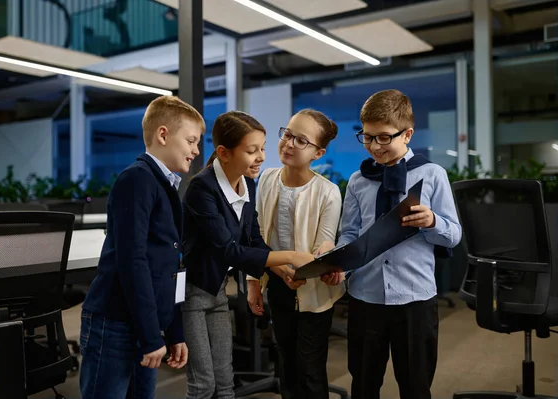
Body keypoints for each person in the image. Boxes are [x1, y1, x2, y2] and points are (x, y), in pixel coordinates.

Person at [318, 89, 462, 399]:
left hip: (415, 297)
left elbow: (454, 235)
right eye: (367, 137)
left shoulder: (432, 174)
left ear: (407, 134)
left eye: (384, 137)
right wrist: (339, 264)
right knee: (364, 383)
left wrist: (432, 221)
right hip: (365, 297)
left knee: (415, 385)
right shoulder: (358, 180)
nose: (374, 146)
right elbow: (350, 234)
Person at [181, 110, 315, 399]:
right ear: (224, 153)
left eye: (263, 148)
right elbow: (229, 250)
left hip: (216, 291)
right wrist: (290, 256)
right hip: (192, 294)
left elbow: (253, 239)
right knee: (203, 384)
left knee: (226, 381)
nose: (262, 157)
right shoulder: (201, 189)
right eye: (252, 150)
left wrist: (281, 271)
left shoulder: (247, 184)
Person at [79, 95, 205, 399]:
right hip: (115, 323)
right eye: (190, 140)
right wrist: (151, 335)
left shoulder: (165, 186)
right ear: (163, 134)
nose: (196, 150)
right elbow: (132, 262)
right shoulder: (137, 180)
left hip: (141, 322)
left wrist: (173, 332)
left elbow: (171, 268)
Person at [245, 109, 345, 399]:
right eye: (287, 134)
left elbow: (324, 243)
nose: (289, 143)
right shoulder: (266, 179)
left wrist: (325, 256)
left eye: (301, 140)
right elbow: (257, 235)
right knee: (286, 363)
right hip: (277, 281)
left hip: (312, 287)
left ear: (318, 152)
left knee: (311, 369)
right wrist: (255, 282)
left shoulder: (327, 191)